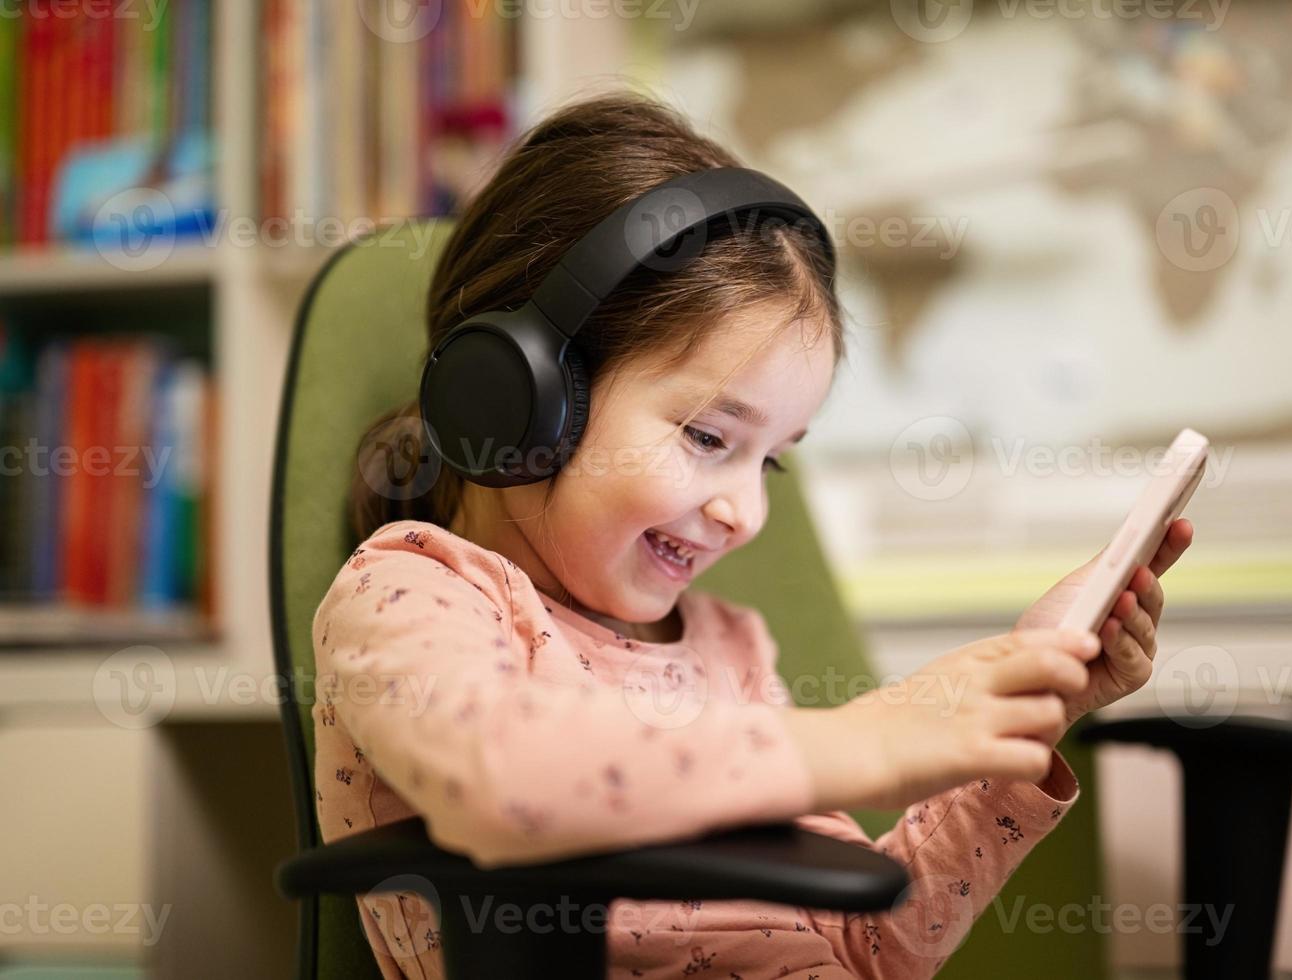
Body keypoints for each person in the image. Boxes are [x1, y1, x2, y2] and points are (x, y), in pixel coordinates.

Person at [313, 91, 1194, 979]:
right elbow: (502, 781)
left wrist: (1031, 712)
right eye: (707, 437)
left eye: (770, 460)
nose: (749, 512)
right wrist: (860, 743)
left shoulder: (727, 651)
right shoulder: (410, 595)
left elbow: (872, 947)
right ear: (522, 398)